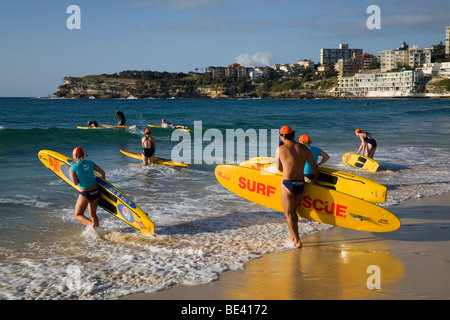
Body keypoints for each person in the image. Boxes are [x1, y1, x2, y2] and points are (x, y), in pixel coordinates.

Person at [276, 126, 319, 248]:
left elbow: (279, 168)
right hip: (301, 184)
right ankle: (292, 236)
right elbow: (314, 165)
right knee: (294, 212)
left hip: (288, 183)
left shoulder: (280, 149)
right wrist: (316, 179)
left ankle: (297, 240)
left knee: (288, 214)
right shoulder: (304, 148)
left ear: (282, 136)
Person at [69, 147, 106, 228]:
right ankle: (98, 231)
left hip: (85, 194)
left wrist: (81, 179)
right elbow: (102, 173)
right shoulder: (90, 163)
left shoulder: (73, 168)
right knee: (93, 215)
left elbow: (75, 183)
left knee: (78, 214)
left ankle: (91, 224)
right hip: (96, 192)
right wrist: (102, 185)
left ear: (75, 156)